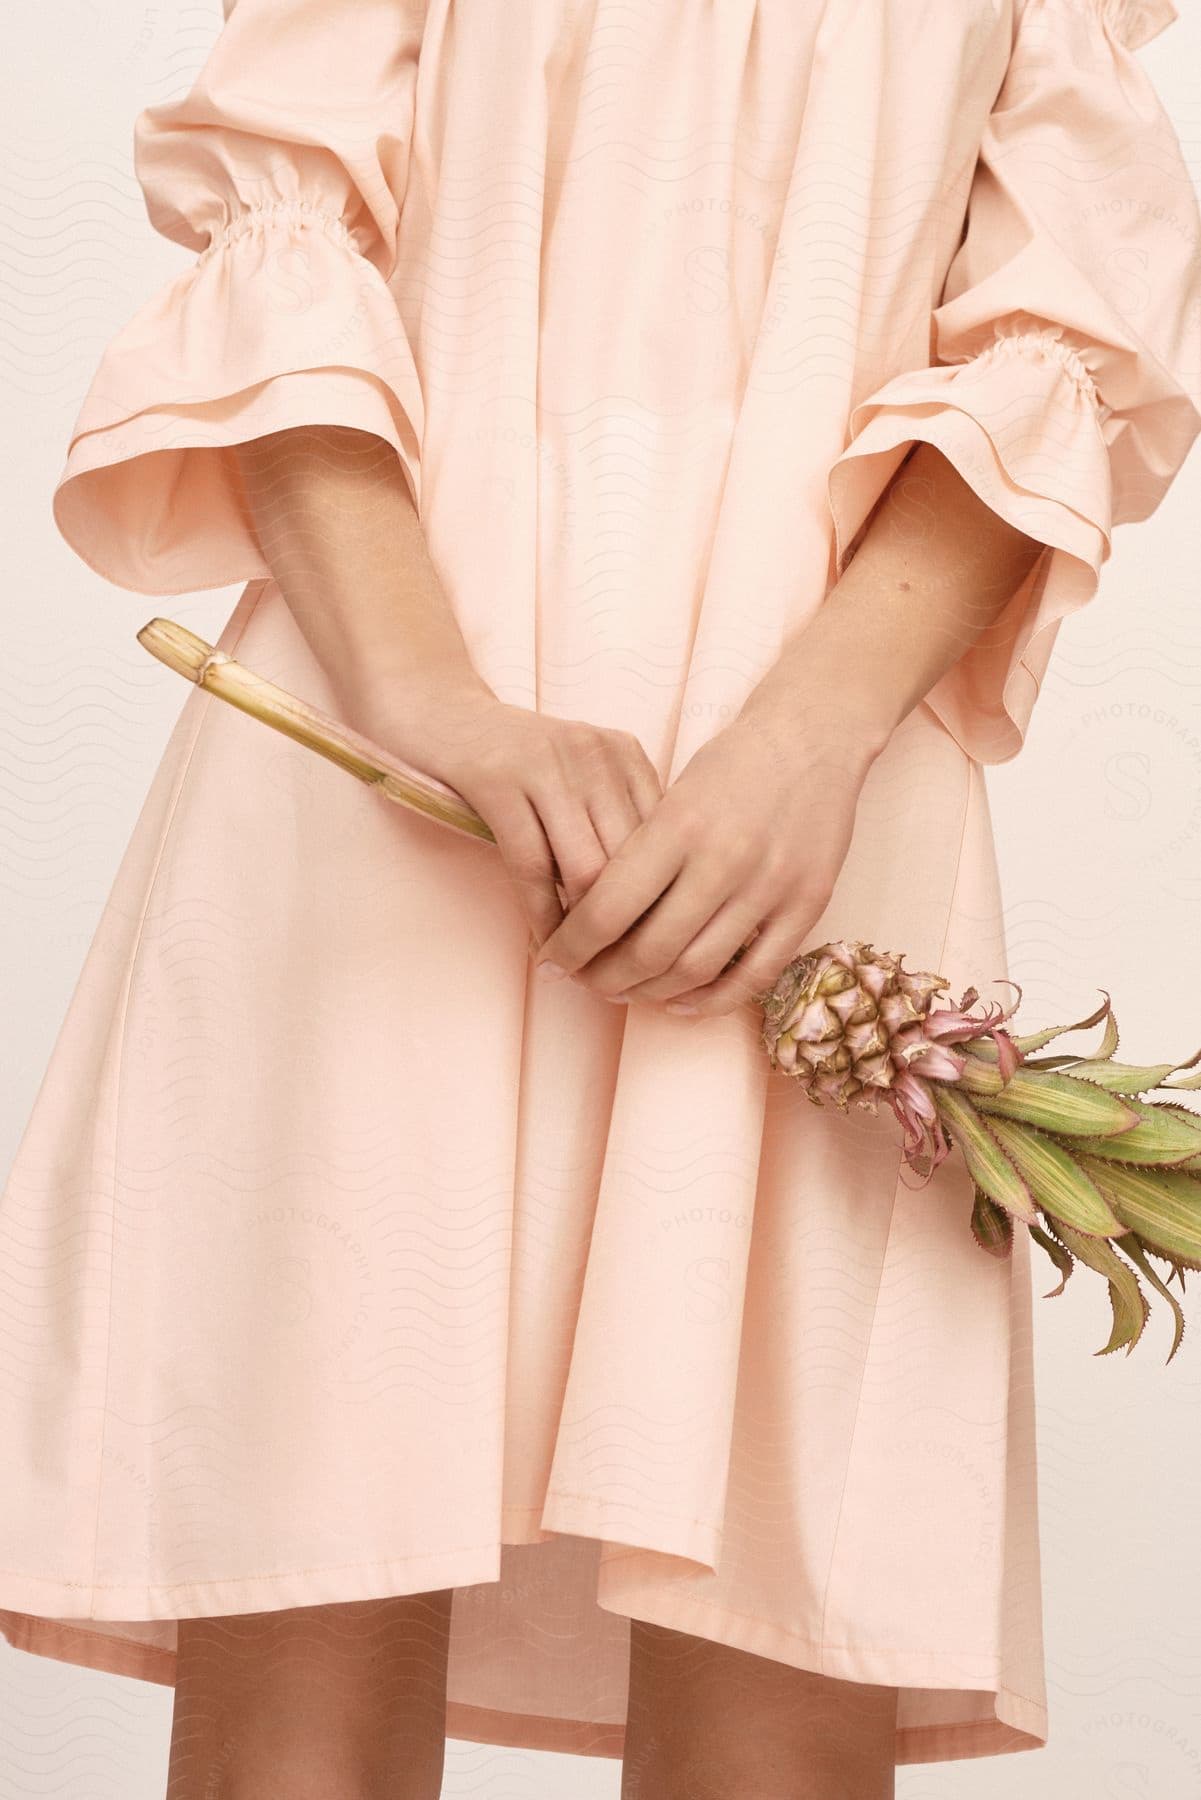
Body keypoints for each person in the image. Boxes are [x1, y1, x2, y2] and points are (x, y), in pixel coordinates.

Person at [2, 0, 1199, 1795]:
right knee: (304, 1646)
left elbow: (1069, 324)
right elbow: (289, 224)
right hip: (387, 768)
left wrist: (802, 750)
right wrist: (425, 695)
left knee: (773, 1654)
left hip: (810, 826)